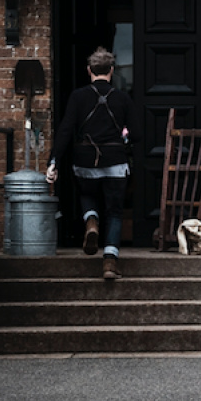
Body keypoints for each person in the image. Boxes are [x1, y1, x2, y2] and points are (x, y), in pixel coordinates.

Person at [46, 47, 140, 280]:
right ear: (112, 70)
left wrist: (53, 161)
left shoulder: (78, 97)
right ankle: (109, 262)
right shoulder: (122, 98)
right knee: (115, 212)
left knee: (87, 195)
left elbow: (66, 130)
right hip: (115, 161)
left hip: (84, 160)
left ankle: (91, 220)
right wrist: (125, 135)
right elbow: (136, 134)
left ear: (89, 71)